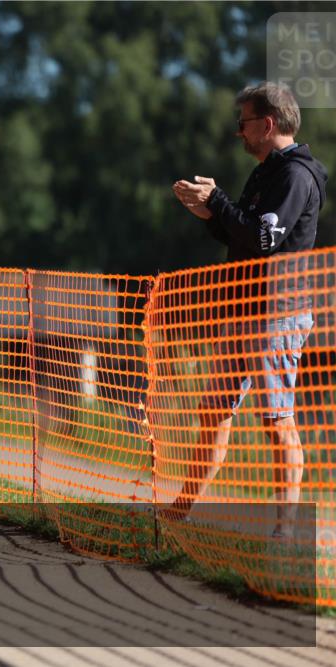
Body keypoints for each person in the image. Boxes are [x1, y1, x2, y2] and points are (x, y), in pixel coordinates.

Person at [170, 82, 327, 538]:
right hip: (242, 310)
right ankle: (180, 511)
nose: (239, 131)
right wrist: (211, 216)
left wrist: (218, 201)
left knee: (277, 421)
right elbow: (243, 232)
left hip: (277, 314)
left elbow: (263, 238)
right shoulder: (265, 173)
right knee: (213, 412)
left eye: (244, 122)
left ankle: (285, 533)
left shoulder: (296, 175)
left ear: (268, 124)